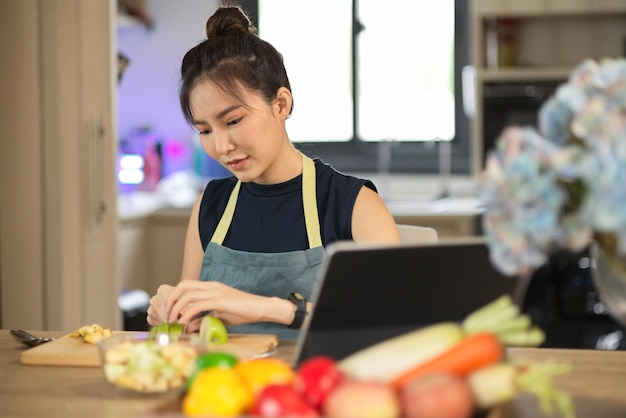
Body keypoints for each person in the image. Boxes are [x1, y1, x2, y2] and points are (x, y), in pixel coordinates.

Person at [147, 2, 400, 339]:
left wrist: (269, 308)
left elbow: (393, 317)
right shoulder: (210, 205)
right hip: (222, 387)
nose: (221, 147)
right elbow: (191, 329)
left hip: (318, 387)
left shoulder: (353, 204)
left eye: (233, 120)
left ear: (281, 104)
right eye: (205, 130)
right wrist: (173, 311)